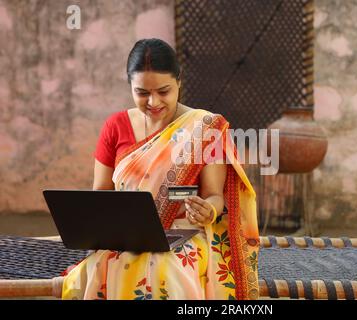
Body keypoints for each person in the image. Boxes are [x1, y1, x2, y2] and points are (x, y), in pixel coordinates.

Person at [62, 38, 260, 300]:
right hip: (124, 236)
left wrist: (208, 210)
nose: (153, 102)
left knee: (167, 268)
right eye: (142, 93)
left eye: (163, 91)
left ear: (179, 81)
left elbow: (215, 195)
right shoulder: (115, 126)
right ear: (130, 85)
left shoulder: (205, 127)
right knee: (105, 265)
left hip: (184, 234)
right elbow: (100, 194)